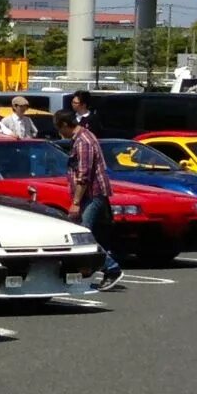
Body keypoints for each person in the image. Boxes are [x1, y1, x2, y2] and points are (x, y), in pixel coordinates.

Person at [58, 109, 123, 289]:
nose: (59, 134)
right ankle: (85, 268)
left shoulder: (83, 141)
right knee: (91, 233)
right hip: (93, 194)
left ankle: (111, 268)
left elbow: (84, 174)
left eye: (59, 128)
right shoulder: (84, 137)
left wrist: (76, 202)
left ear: (65, 125)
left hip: (91, 194)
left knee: (83, 235)